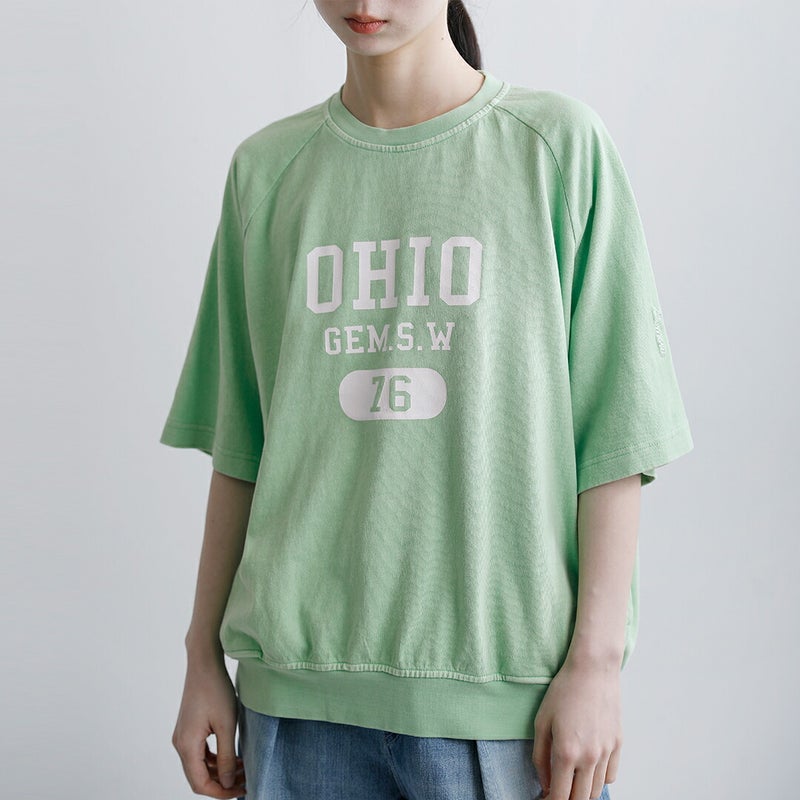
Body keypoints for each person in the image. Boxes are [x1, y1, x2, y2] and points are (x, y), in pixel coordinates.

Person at [160, 1, 694, 799]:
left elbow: (615, 439)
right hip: (295, 707)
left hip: (509, 711)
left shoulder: (556, 149)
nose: (366, 2)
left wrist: (596, 664)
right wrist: (201, 654)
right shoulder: (267, 171)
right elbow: (244, 446)